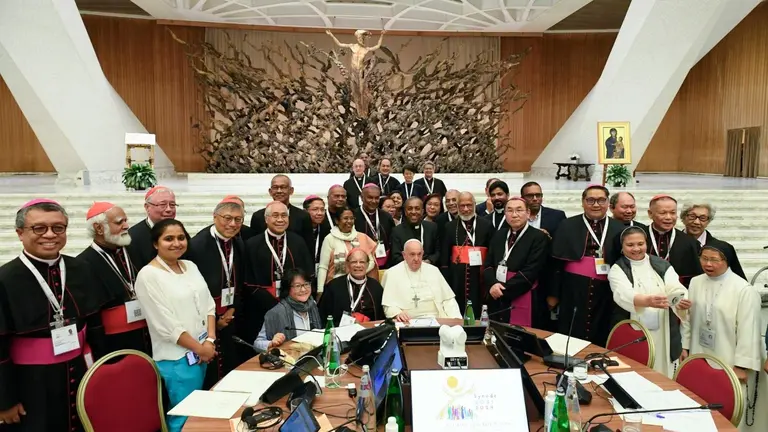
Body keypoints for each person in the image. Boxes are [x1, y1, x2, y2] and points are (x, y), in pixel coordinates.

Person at [0, 199, 109, 431]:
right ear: (20, 233)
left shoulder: (81, 268)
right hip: (30, 383)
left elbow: (95, 326)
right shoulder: (5, 279)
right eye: (39, 228)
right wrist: (5, 400)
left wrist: (102, 374)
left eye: (58, 228)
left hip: (79, 372)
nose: (50, 235)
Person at [134, 219, 216, 432]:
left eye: (181, 238)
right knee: (183, 417)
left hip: (203, 351)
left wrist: (210, 340)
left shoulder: (190, 266)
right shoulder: (148, 276)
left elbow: (209, 305)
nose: (177, 243)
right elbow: (166, 326)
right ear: (156, 243)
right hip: (177, 358)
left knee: (199, 412)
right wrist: (201, 349)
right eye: (168, 239)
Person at [681, 241, 763, 428]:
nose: (708, 264)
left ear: (727, 261)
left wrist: (741, 366)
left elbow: (749, 330)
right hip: (699, 352)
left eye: (714, 260)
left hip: (729, 358)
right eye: (704, 259)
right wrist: (685, 345)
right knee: (699, 400)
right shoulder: (696, 282)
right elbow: (688, 317)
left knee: (726, 409)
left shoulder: (744, 290)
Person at [608, 226, 691, 378]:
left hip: (663, 328)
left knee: (662, 370)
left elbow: (674, 286)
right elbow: (623, 293)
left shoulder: (661, 264)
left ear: (646, 243)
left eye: (640, 244)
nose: (636, 249)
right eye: (630, 245)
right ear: (622, 246)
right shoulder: (618, 269)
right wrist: (647, 301)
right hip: (634, 327)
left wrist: (680, 300)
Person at [548, 185, 625, 346]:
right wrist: (553, 294)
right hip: (573, 289)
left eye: (601, 200)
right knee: (572, 330)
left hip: (607, 291)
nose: (596, 205)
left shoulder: (619, 228)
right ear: (583, 202)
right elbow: (555, 264)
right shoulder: (567, 225)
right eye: (590, 200)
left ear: (608, 203)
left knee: (602, 330)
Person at [77, 202, 150, 355]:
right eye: (119, 222)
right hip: (113, 343)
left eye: (126, 221)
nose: (126, 226)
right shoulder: (83, 263)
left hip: (147, 334)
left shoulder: (134, 250)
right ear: (99, 228)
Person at [188, 198, 246, 388]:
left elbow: (239, 280)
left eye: (238, 219)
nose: (233, 224)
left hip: (229, 315)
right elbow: (193, 290)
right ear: (215, 217)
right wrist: (215, 319)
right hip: (205, 320)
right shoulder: (197, 245)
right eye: (227, 218)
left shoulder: (237, 242)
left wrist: (232, 308)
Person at [243, 202, 313, 349]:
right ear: (266, 219)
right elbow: (248, 280)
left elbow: (307, 274)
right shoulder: (252, 244)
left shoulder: (298, 241)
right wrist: (273, 304)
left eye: (283, 215)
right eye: (275, 216)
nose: (280, 219)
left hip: (295, 305)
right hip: (262, 307)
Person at [483, 197, 549, 327]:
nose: (514, 215)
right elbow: (488, 264)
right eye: (510, 210)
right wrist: (493, 284)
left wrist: (503, 289)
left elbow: (531, 270)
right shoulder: (499, 234)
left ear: (528, 213)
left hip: (521, 290)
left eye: (519, 210)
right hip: (496, 290)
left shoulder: (538, 237)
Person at [440, 192, 494, 317]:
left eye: (469, 205)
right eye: (462, 206)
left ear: (474, 205)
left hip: (479, 276)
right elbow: (445, 256)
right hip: (456, 278)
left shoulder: (486, 225)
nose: (465, 209)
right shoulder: (449, 226)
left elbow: (491, 252)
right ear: (457, 206)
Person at [382, 239, 461, 322]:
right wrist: (397, 313)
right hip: (407, 322)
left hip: (436, 319)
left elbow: (448, 300)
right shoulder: (392, 273)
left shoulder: (433, 271)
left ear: (423, 253)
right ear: (404, 255)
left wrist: (456, 320)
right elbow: (388, 304)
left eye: (419, 254)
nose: (416, 258)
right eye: (412, 254)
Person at [254, 268, 322, 351]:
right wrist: (271, 343)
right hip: (289, 358)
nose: (303, 289)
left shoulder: (312, 305)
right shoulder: (276, 313)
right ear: (287, 289)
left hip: (313, 356)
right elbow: (257, 344)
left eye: (306, 284)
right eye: (298, 286)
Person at [643, 195, 702, 287]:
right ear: (650, 214)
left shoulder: (690, 242)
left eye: (673, 213)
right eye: (663, 213)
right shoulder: (638, 236)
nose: (668, 217)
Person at [317, 206, 378, 291]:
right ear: (337, 221)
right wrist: (320, 289)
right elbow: (323, 266)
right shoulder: (329, 239)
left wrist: (357, 272)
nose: (349, 221)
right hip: (336, 285)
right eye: (345, 218)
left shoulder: (362, 237)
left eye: (351, 218)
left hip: (360, 284)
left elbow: (371, 261)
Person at [319, 249, 385, 326]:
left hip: (372, 330)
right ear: (347, 264)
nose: (358, 265)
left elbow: (382, 316)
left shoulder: (376, 286)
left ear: (367, 265)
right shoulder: (333, 286)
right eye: (354, 262)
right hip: (342, 330)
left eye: (362, 262)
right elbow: (324, 316)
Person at [250, 175, 314, 252]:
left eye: (283, 187)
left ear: (291, 190)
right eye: (275, 187)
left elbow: (309, 247)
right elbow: (253, 246)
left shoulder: (303, 216)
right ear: (270, 191)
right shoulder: (258, 216)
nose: (279, 191)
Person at [681, 202, 745, 279]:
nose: (696, 222)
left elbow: (739, 280)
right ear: (683, 217)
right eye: (692, 216)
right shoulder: (671, 243)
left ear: (709, 221)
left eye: (703, 218)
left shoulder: (724, 248)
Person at [128, 185, 178, 270]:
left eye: (172, 205)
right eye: (163, 205)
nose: (169, 209)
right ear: (147, 207)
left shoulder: (179, 231)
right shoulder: (133, 237)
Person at [354, 183, 395, 269]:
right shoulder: (354, 216)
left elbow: (392, 240)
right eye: (370, 197)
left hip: (385, 262)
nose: (374, 201)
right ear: (362, 198)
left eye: (376, 198)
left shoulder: (386, 217)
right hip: (360, 263)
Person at [390, 196, 440, 266]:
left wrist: (429, 261)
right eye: (410, 209)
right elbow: (396, 256)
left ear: (422, 211)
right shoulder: (397, 231)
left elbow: (438, 251)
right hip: (406, 268)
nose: (413, 212)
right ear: (405, 212)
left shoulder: (432, 227)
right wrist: (415, 262)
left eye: (417, 209)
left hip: (429, 267)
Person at [303, 195, 330, 293]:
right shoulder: (299, 230)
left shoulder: (327, 230)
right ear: (305, 211)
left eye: (322, 210)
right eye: (315, 209)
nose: (320, 213)